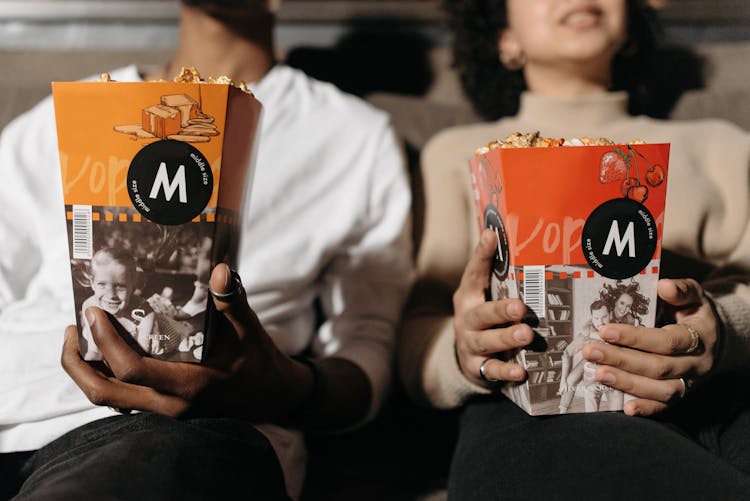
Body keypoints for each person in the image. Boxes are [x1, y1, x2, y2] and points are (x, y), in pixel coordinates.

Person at [0, 1, 413, 499]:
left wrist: (279, 385)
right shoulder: (60, 117)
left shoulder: (354, 137)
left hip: (168, 432)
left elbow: (368, 349)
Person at [398, 0, 750, 498]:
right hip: (533, 400)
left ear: (629, 24)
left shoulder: (720, 144)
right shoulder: (461, 155)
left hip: (725, 386)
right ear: (504, 38)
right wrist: (464, 351)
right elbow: (416, 335)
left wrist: (727, 328)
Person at [78, 247, 156, 359]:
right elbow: (94, 352)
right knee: (87, 333)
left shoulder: (144, 313)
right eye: (102, 284)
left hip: (133, 341)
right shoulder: (90, 307)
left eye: (120, 287)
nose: (111, 295)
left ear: (133, 285)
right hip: (100, 333)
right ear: (92, 283)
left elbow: (141, 356)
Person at [557, 299, 615, 413]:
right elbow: (567, 353)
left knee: (595, 391)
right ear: (591, 318)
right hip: (589, 362)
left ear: (610, 315)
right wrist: (562, 380)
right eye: (596, 318)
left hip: (609, 364)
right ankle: (562, 412)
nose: (600, 322)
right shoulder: (586, 334)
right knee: (570, 380)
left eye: (604, 317)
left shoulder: (617, 328)